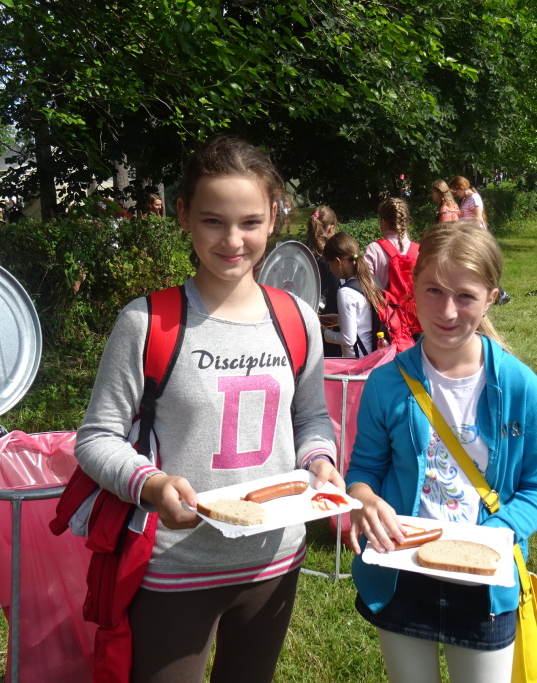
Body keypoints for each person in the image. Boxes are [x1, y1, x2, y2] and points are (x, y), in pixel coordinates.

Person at [74, 137, 342, 683]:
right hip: (176, 566)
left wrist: (320, 461)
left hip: (274, 560)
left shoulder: (298, 318)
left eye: (250, 222)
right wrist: (151, 485)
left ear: (274, 217)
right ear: (184, 216)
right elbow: (97, 437)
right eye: (213, 221)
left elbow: (311, 418)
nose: (233, 240)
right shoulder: (145, 322)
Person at [345, 220, 537, 682]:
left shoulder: (525, 390)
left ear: (491, 297)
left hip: (485, 582)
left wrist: (495, 535)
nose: (447, 310)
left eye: (465, 296)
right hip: (402, 575)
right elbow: (364, 468)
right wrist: (362, 498)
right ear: (413, 289)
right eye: (434, 291)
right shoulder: (385, 384)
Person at [321, 232, 385, 358]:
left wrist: (323, 331)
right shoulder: (371, 280)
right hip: (375, 355)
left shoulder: (346, 292)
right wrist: (339, 319)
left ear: (338, 262)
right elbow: (365, 320)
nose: (330, 268)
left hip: (358, 361)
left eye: (329, 263)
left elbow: (348, 340)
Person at [306, 205, 343, 358]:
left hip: (305, 317)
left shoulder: (303, 251)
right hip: (329, 321)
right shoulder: (331, 256)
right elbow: (335, 288)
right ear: (331, 228)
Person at [363, 197, 417, 292]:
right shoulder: (420, 250)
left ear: (383, 222)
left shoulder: (373, 249)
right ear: (405, 222)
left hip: (382, 301)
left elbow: (366, 285)